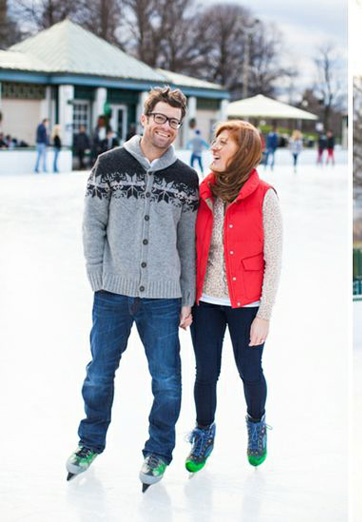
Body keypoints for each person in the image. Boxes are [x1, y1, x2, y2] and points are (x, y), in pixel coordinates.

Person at [66, 87, 199, 491]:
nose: (166, 127)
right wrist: (98, 275)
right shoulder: (109, 164)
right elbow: (93, 224)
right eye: (160, 118)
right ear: (144, 119)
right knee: (99, 375)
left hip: (163, 297)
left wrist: (187, 297)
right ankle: (89, 443)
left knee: (167, 381)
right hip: (113, 292)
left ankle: (158, 451)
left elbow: (187, 244)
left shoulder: (185, 177)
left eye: (173, 121)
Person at [185, 120, 282, 474]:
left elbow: (274, 260)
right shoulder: (204, 191)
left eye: (223, 142)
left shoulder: (265, 197)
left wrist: (265, 314)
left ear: (242, 153)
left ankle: (256, 425)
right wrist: (187, 299)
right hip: (206, 303)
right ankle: (204, 432)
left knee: (250, 372)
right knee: (205, 373)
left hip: (247, 306)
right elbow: (191, 250)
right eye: (215, 140)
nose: (213, 147)